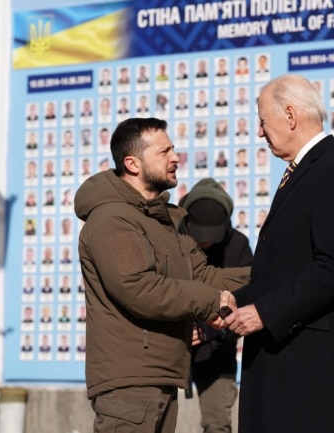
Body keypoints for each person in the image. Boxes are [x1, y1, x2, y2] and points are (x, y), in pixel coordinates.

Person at [73, 118, 249, 433]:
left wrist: (269, 275)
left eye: (174, 149)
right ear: (132, 164)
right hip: (130, 386)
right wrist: (211, 302)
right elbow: (138, 287)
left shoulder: (162, 219)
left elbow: (203, 275)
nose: (176, 157)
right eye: (164, 151)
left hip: (160, 377)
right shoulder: (114, 219)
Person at [222, 74, 334, 433]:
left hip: (310, 379)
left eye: (262, 119)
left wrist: (264, 313)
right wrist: (234, 303)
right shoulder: (304, 172)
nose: (260, 132)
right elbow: (288, 271)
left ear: (289, 115)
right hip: (287, 369)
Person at [179, 178, 253, 433]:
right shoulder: (169, 240)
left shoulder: (238, 246)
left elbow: (248, 300)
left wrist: (216, 328)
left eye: (211, 238)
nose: (205, 244)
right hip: (169, 349)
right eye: (200, 236)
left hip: (217, 352)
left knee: (217, 424)